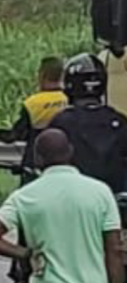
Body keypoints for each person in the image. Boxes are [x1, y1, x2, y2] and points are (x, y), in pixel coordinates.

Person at [0, 129, 125, 283]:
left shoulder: (24, 197)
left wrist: (26, 254)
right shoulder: (100, 192)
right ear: (71, 152)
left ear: (38, 159)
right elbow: (114, 251)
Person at [50, 53, 127, 195]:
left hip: (74, 196)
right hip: (114, 198)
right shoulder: (119, 121)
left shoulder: (61, 121)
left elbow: (44, 158)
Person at [0, 56, 68, 176]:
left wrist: (4, 135)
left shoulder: (33, 103)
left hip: (36, 163)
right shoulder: (68, 99)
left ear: (42, 76)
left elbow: (17, 134)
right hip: (67, 161)